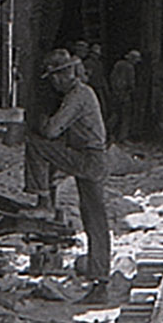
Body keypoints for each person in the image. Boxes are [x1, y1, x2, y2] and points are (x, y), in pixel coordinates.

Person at [25, 49, 111, 302]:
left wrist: (39, 120)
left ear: (62, 76)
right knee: (94, 218)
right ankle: (100, 280)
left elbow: (52, 131)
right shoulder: (82, 93)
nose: (53, 83)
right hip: (89, 157)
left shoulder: (77, 96)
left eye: (53, 78)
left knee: (36, 143)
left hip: (89, 159)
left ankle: (42, 200)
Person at [108, 49, 142, 142]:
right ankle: (123, 137)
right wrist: (133, 91)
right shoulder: (130, 67)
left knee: (115, 114)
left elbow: (112, 77)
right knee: (125, 116)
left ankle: (108, 132)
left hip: (115, 93)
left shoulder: (118, 64)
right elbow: (131, 82)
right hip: (125, 94)